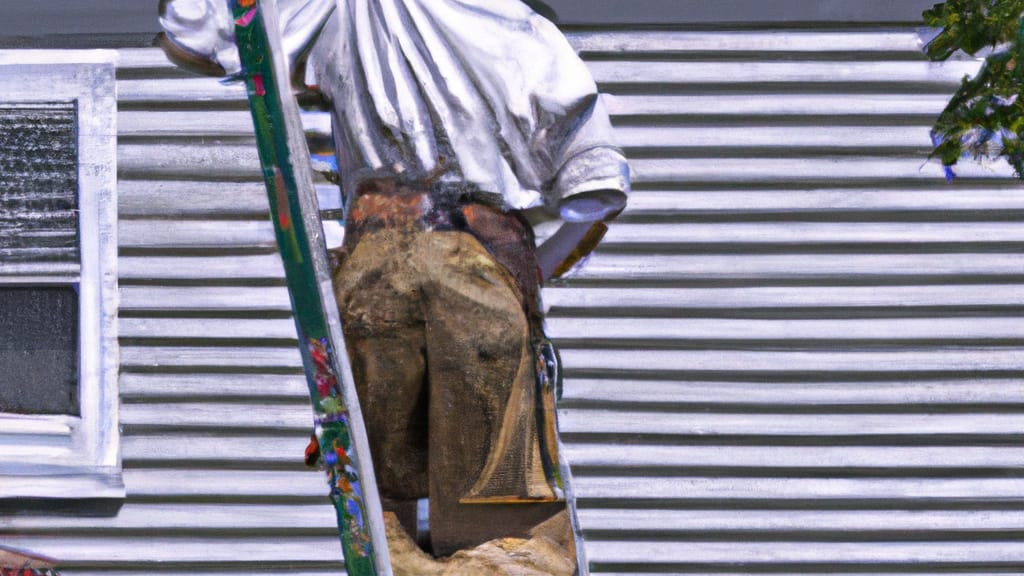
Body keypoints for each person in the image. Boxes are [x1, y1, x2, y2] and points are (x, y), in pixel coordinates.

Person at [158, 0, 629, 558]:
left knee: (385, 512)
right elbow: (596, 191)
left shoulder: (341, 12)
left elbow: (198, 32)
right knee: (498, 521)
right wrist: (526, 279)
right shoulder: (523, 31)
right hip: (477, 271)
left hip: (375, 271)